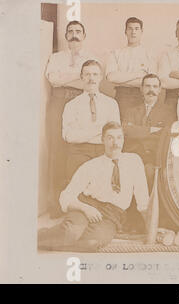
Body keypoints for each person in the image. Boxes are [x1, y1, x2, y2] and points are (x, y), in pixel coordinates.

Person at [38, 122, 150, 252]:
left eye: (119, 137)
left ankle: (56, 238)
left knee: (93, 243)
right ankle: (34, 237)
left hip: (112, 215)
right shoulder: (91, 166)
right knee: (70, 232)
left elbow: (143, 201)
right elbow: (65, 196)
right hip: (86, 206)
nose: (115, 143)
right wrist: (86, 209)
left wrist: (152, 227)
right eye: (110, 138)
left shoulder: (134, 161)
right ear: (102, 140)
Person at [45, 21, 98, 217]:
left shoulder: (91, 58)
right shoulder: (56, 57)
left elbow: (88, 81)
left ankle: (78, 202)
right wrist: (76, 76)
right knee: (57, 150)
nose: (74, 35)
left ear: (84, 35)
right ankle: (55, 205)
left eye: (78, 31)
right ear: (66, 36)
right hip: (58, 101)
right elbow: (53, 80)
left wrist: (65, 76)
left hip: (80, 100)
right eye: (70, 32)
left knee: (77, 149)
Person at [62, 60, 121, 183]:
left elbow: (114, 134)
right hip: (79, 151)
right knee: (78, 189)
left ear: (100, 77)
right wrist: (101, 130)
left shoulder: (111, 104)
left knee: (104, 189)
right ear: (81, 77)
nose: (91, 78)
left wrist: (84, 132)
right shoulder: (71, 105)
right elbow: (69, 136)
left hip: (104, 150)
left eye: (95, 74)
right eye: (87, 74)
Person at [122, 73, 176, 192]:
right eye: (147, 86)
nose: (151, 90)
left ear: (160, 90)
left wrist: (137, 130)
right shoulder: (131, 111)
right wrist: (151, 130)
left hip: (153, 156)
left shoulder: (168, 112)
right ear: (141, 89)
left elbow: (165, 135)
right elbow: (126, 131)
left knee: (149, 172)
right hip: (132, 154)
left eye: (155, 87)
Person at [106, 17, 157, 113]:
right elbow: (111, 77)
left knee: (141, 126)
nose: (133, 32)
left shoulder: (149, 54)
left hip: (143, 96)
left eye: (136, 29)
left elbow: (152, 82)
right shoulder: (116, 53)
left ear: (141, 31)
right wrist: (139, 74)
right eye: (130, 28)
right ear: (125, 31)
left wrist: (121, 80)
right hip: (122, 96)